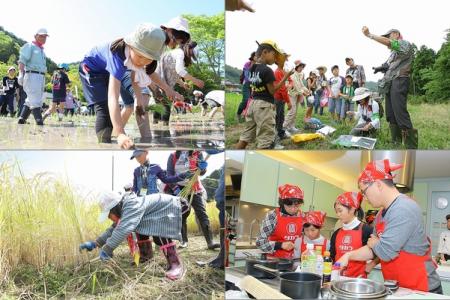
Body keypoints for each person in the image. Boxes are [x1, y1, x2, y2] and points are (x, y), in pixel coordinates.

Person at [337, 159, 442, 293]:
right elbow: (372, 250)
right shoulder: (381, 213)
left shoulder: (403, 208)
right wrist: (348, 256)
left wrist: (376, 243)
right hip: (399, 287)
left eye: (364, 191)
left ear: (379, 185)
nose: (365, 197)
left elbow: (385, 252)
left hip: (422, 288)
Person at [79, 23, 183, 149]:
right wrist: (120, 133)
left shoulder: (137, 57)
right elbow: (113, 97)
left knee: (122, 106)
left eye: (148, 59)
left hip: (107, 69)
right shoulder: (117, 56)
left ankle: (114, 136)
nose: (143, 62)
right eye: (140, 56)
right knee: (104, 108)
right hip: (91, 68)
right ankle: (104, 145)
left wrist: (168, 90)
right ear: (131, 45)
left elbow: (139, 78)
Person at [79, 191, 187, 280]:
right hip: (168, 208)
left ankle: (175, 265)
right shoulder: (126, 210)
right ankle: (146, 257)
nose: (108, 218)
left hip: (177, 206)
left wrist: (107, 249)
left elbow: (123, 229)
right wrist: (95, 243)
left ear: (114, 209)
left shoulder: (131, 206)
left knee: (159, 231)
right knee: (140, 227)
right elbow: (114, 228)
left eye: (108, 215)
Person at [362, 27, 417, 148]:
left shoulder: (404, 43)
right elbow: (388, 65)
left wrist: (370, 35)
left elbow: (389, 43)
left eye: (389, 35)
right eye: (386, 36)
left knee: (400, 112)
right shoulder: (392, 53)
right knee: (391, 113)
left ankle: (411, 146)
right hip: (390, 82)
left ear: (397, 34)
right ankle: (395, 141)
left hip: (400, 80)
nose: (387, 38)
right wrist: (380, 68)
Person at [235, 40, 294, 149]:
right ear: (265, 52)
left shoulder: (252, 68)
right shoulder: (267, 70)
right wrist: (286, 77)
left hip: (252, 104)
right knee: (265, 141)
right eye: (274, 55)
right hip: (264, 106)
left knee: (245, 137)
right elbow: (272, 90)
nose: (275, 58)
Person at [166, 151, 219, 250]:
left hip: (194, 187)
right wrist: (175, 188)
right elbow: (169, 174)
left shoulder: (197, 153)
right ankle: (184, 241)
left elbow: (201, 172)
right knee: (182, 214)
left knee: (202, 213)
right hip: (179, 189)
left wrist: (203, 168)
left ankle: (210, 241)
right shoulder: (173, 156)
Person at [151, 38, 204, 125]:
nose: (190, 56)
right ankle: (165, 129)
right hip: (159, 81)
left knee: (159, 104)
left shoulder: (174, 53)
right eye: (191, 54)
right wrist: (196, 81)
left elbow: (172, 73)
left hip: (155, 80)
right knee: (166, 104)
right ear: (189, 49)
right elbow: (179, 71)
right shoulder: (180, 53)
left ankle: (155, 127)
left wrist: (182, 84)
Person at [330, 191, 373, 278]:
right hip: (338, 279)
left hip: (358, 281)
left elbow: (379, 250)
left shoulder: (367, 230)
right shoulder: (336, 233)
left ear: (353, 209)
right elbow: (332, 257)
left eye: (340, 210)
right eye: (336, 211)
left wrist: (372, 264)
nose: (338, 214)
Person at [256, 184, 304, 259]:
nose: (293, 209)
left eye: (297, 206)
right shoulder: (272, 215)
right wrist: (280, 245)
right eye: (289, 206)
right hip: (274, 261)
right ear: (282, 203)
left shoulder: (303, 216)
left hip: (295, 261)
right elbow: (260, 242)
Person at [17, 28, 49, 126]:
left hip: (40, 77)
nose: (43, 38)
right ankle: (39, 122)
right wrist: (20, 74)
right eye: (41, 36)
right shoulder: (30, 46)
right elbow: (22, 61)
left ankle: (22, 119)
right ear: (35, 36)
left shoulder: (41, 50)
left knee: (31, 100)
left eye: (45, 36)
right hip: (32, 75)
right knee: (35, 100)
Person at [274, 50, 292, 144]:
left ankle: (280, 133)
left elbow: (290, 79)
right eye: (284, 58)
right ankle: (279, 134)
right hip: (278, 98)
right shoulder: (277, 72)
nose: (286, 60)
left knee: (280, 116)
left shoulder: (282, 71)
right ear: (278, 60)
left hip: (281, 98)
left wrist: (290, 84)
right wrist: (288, 101)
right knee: (279, 117)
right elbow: (281, 89)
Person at [284, 60, 307, 134]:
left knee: (295, 111)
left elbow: (301, 85)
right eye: (300, 67)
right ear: (296, 67)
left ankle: (291, 126)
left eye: (302, 67)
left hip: (297, 94)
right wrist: (304, 93)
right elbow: (296, 86)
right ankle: (283, 127)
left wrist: (307, 90)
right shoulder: (293, 74)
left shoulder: (300, 74)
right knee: (292, 111)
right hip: (292, 94)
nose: (301, 68)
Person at [236, 52, 256, 119]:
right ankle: (238, 114)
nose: (258, 57)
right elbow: (247, 76)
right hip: (246, 84)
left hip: (254, 85)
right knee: (246, 100)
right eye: (256, 56)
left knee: (252, 102)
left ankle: (246, 115)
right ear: (253, 57)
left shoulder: (258, 65)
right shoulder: (247, 64)